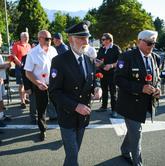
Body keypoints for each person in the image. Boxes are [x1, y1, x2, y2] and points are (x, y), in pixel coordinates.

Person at [49, 21, 102, 166]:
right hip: (67, 115)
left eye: (87, 38)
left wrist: (97, 88)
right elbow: (54, 92)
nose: (85, 41)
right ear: (71, 39)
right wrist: (75, 106)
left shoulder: (90, 60)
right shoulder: (59, 61)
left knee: (74, 153)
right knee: (72, 155)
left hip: (84, 116)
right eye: (81, 38)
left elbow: (93, 81)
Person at [114, 30, 161, 166]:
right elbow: (118, 79)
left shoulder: (155, 57)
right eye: (149, 43)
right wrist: (140, 88)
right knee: (137, 133)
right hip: (130, 103)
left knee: (134, 130)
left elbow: (157, 78)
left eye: (154, 43)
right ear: (139, 41)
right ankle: (138, 163)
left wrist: (157, 88)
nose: (152, 46)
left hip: (146, 103)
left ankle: (124, 149)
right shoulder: (127, 56)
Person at [24, 30, 58, 141]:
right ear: (39, 39)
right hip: (40, 85)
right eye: (47, 39)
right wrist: (37, 83)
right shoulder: (32, 53)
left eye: (50, 39)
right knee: (41, 109)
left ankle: (65, 129)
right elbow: (27, 72)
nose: (50, 41)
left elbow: (57, 66)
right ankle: (43, 130)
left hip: (54, 84)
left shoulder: (53, 50)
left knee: (60, 105)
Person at [96, 33, 121, 118]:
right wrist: (98, 63)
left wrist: (111, 65)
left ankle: (115, 110)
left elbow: (120, 62)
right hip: (103, 73)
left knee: (113, 92)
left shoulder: (116, 48)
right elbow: (98, 59)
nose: (102, 41)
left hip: (113, 73)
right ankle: (104, 106)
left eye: (103, 39)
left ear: (109, 40)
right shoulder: (101, 49)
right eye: (102, 39)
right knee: (104, 90)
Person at [11, 32, 31, 109]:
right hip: (20, 67)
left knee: (27, 83)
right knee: (21, 84)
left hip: (28, 67)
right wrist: (20, 64)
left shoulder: (29, 45)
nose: (27, 38)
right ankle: (22, 101)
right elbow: (13, 56)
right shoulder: (16, 45)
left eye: (28, 37)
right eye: (25, 37)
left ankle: (25, 98)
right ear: (21, 37)